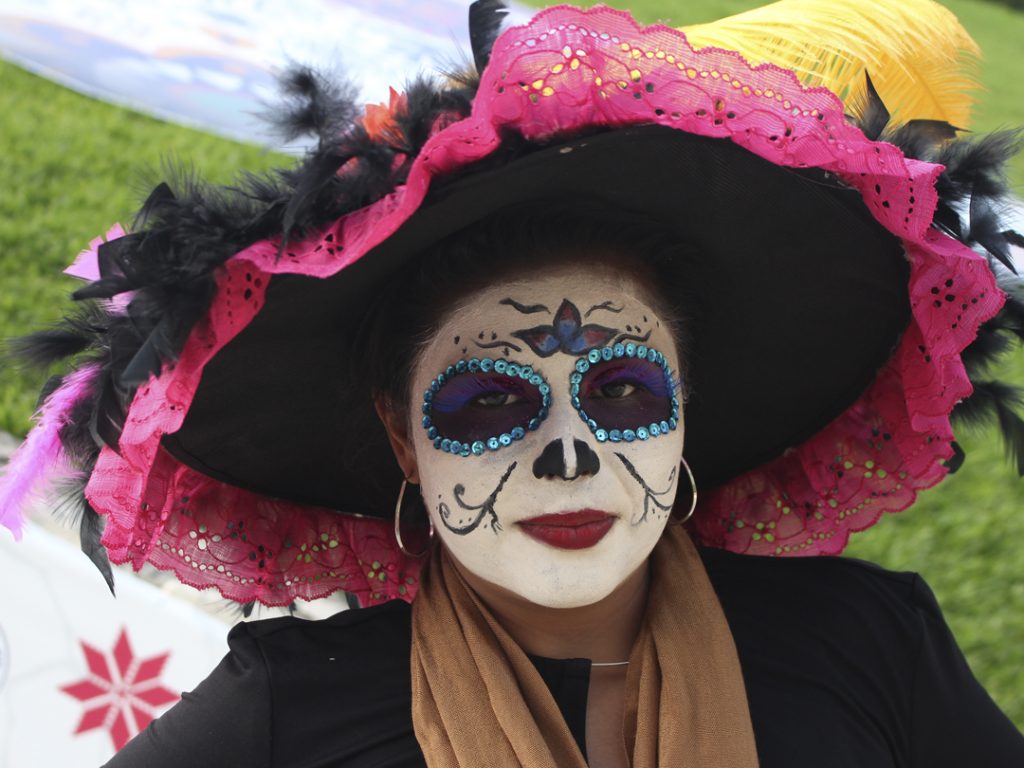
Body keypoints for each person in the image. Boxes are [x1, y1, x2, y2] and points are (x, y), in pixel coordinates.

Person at [2, 0, 1023, 765]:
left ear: (686, 409)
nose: (572, 451)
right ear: (403, 438)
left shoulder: (864, 643)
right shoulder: (287, 716)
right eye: (488, 401)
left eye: (624, 390)